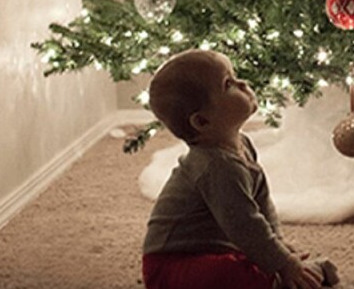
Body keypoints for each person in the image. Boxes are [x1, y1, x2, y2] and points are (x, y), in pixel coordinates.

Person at [141, 49, 340, 289]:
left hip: (218, 248)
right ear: (202, 121)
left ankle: (293, 276)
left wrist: (279, 246)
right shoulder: (216, 166)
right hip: (172, 266)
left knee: (252, 257)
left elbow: (261, 202)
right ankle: (291, 280)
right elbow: (244, 224)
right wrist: (284, 264)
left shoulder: (242, 143)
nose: (243, 83)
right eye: (229, 84)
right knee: (228, 274)